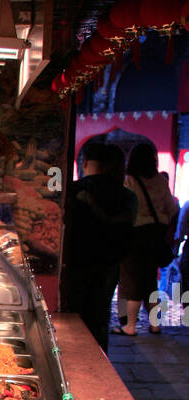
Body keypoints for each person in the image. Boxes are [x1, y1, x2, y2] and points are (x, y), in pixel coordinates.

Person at [63, 142, 137, 352]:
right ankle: (98, 362)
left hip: (73, 266)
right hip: (107, 267)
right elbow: (128, 226)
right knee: (99, 318)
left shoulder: (71, 191)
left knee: (72, 318)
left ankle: (70, 361)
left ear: (85, 163)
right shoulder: (127, 196)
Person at [119, 144, 180, 335]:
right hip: (155, 235)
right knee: (150, 281)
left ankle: (130, 326)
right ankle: (154, 324)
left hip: (135, 235)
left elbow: (124, 209)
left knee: (132, 280)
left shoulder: (130, 181)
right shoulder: (161, 181)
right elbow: (172, 209)